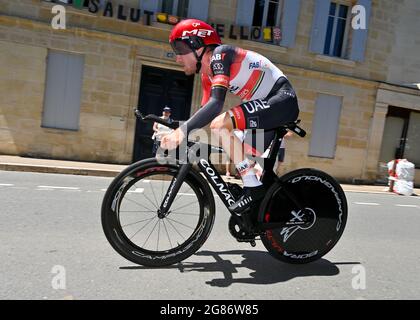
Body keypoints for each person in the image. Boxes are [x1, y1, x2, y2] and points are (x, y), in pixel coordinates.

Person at [161, 19, 299, 214]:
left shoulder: (220, 55)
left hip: (282, 99)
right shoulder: (207, 75)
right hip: (267, 109)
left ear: (198, 46)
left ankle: (253, 188)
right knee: (244, 158)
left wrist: (181, 133)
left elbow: (216, 105)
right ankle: (263, 213)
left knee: (220, 125)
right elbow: (204, 112)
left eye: (180, 48)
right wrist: (176, 126)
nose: (177, 57)